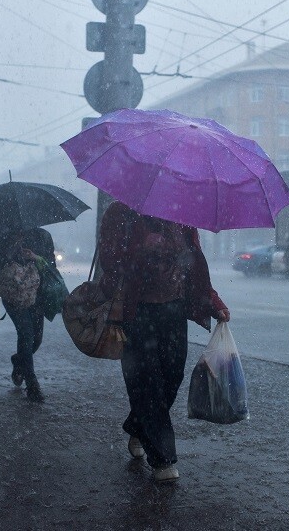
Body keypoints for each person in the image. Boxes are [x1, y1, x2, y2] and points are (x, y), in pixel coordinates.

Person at [98, 201, 230, 483]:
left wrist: (213, 303)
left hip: (173, 310)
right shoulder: (120, 212)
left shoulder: (181, 212)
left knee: (172, 376)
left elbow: (194, 266)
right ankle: (163, 458)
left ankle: (138, 425)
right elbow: (109, 262)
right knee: (146, 382)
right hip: (136, 311)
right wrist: (140, 250)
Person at [0, 227, 55, 403]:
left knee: (36, 339)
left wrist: (35, 258)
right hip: (13, 294)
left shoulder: (43, 236)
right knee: (26, 333)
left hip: (37, 295)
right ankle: (32, 384)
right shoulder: (4, 233)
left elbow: (51, 266)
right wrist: (12, 247)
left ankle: (19, 361)